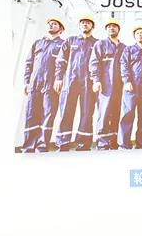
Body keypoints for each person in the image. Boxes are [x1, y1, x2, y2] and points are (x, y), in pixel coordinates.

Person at [54, 13, 98, 151]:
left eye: (88, 22)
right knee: (66, 111)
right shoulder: (70, 41)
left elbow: (99, 64)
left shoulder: (97, 43)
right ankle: (63, 143)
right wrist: (58, 78)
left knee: (87, 113)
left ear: (92, 26)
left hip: (88, 83)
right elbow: (61, 61)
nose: (85, 24)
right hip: (70, 81)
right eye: (82, 22)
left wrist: (97, 81)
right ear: (79, 25)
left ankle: (83, 144)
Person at [21, 17, 65, 152]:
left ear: (61, 29)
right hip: (34, 84)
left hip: (51, 85)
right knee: (31, 114)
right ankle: (28, 147)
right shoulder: (38, 43)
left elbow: (63, 65)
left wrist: (59, 79)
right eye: (50, 24)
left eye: (55, 24)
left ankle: (42, 147)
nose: (51, 25)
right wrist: (26, 82)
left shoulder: (63, 45)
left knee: (48, 115)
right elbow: (29, 63)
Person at [89, 18, 125, 150]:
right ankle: (102, 143)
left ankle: (114, 142)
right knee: (104, 113)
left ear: (118, 29)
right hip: (105, 85)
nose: (111, 28)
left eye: (114, 26)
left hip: (120, 86)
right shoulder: (100, 44)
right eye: (109, 26)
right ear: (106, 29)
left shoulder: (124, 47)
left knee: (117, 113)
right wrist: (96, 80)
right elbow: (94, 62)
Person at [118, 25, 142, 149]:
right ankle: (124, 144)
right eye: (137, 33)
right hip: (131, 87)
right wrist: (126, 81)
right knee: (128, 114)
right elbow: (123, 65)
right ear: (134, 36)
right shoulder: (128, 50)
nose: (140, 34)